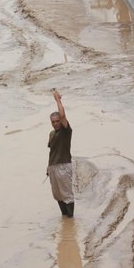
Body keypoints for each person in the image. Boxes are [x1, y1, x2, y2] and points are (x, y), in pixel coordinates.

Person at [47, 90, 74, 218]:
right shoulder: (52, 134)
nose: (56, 123)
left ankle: (70, 219)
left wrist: (58, 100)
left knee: (67, 195)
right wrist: (48, 167)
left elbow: (63, 116)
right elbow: (51, 152)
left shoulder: (65, 130)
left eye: (57, 121)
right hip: (53, 167)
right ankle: (65, 220)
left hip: (64, 165)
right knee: (57, 195)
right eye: (53, 121)